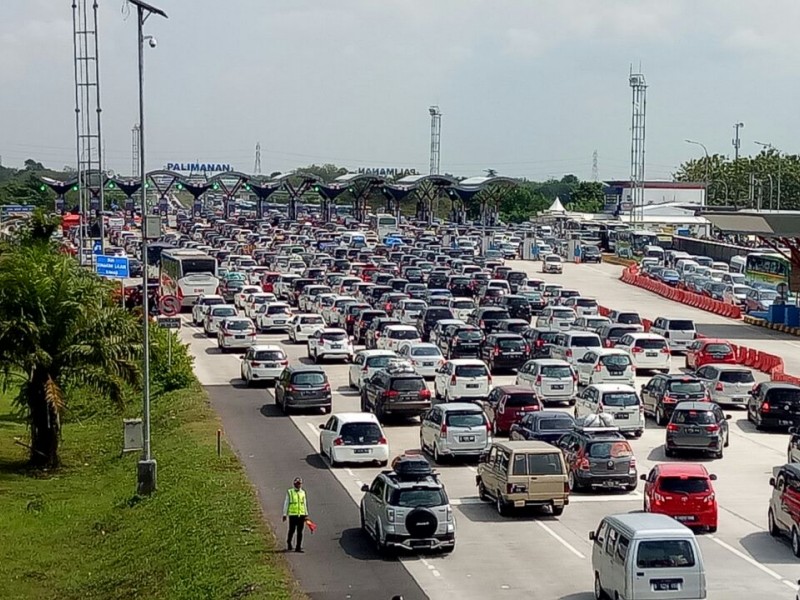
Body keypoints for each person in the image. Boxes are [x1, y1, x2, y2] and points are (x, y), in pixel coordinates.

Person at [282, 477, 308, 552]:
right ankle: (289, 542)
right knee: (292, 530)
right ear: (294, 484)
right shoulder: (290, 492)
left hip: (301, 514)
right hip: (293, 515)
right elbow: (286, 503)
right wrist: (284, 514)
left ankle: (298, 547)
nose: (298, 485)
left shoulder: (303, 492)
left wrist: (306, 514)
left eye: (299, 484)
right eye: (297, 484)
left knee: (300, 532)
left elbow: (304, 504)